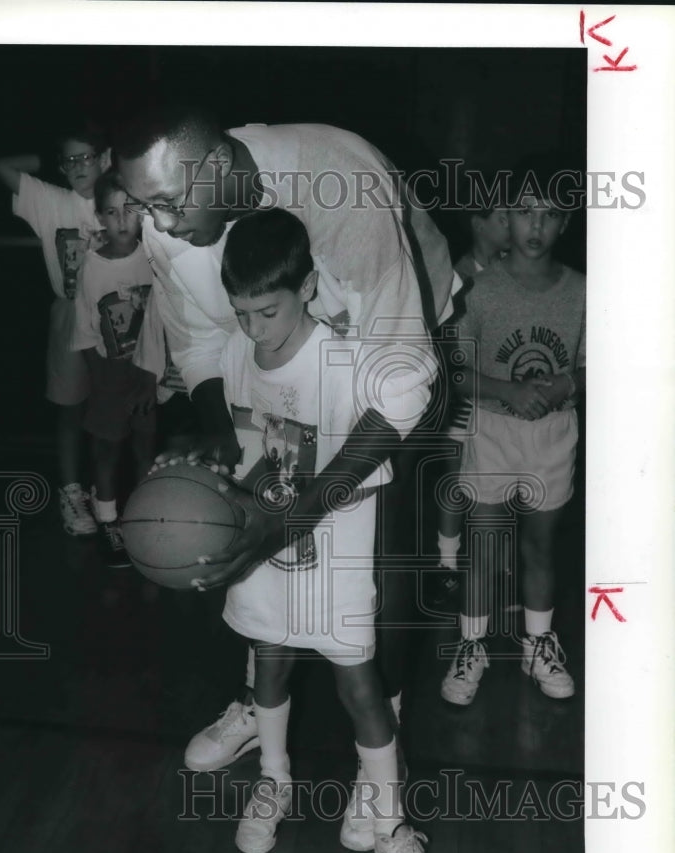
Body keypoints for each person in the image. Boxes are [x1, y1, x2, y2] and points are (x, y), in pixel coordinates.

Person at [112, 104, 460, 781]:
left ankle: (380, 747)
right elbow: (202, 343)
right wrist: (220, 440)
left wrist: (291, 519)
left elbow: (401, 390)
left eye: (167, 203)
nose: (158, 222)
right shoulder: (177, 219)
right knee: (255, 518)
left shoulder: (337, 190)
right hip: (274, 351)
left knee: (377, 557)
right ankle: (259, 698)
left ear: (215, 168)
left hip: (397, 343)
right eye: (143, 205)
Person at [208, 208, 440, 853]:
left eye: (268, 311)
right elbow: (234, 440)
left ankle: (391, 819)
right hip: (263, 559)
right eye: (241, 312)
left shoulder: (348, 360)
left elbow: (411, 395)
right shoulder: (231, 356)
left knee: (360, 688)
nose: (254, 329)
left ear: (308, 287)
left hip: (335, 563)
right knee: (267, 672)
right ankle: (273, 781)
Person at [440, 171, 585, 707]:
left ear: (564, 223)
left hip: (553, 433)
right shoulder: (477, 289)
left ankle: (537, 642)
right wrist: (506, 390)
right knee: (483, 544)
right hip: (493, 429)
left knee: (540, 545)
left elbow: (595, 362)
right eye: (525, 211)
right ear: (506, 218)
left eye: (549, 214)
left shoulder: (582, 290)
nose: (536, 224)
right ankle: (471, 644)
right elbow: (454, 371)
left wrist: (569, 381)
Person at [0, 120, 109, 535]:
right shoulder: (51, 200)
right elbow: (3, 167)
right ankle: (72, 492)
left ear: (106, 159)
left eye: (87, 157)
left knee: (108, 412)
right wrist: (50, 157)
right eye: (71, 160)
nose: (79, 166)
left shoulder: (121, 200)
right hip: (69, 314)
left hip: (118, 318)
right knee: (69, 408)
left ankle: (106, 494)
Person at [71, 171, 161, 567]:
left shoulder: (154, 257)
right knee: (107, 448)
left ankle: (140, 520)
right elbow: (85, 329)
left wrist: (155, 372)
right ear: (100, 218)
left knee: (145, 446)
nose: (122, 220)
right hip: (109, 372)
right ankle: (108, 520)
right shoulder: (92, 266)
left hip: (149, 372)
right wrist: (101, 378)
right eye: (112, 212)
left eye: (130, 209)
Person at [429, 201, 511, 612]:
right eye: (503, 218)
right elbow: (452, 351)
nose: (512, 225)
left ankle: (493, 572)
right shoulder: (460, 277)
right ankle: (446, 569)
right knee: (456, 481)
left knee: (497, 483)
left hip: (498, 403)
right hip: (464, 398)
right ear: (479, 225)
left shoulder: (513, 273)